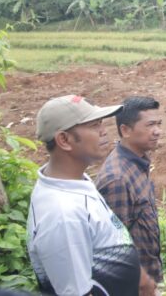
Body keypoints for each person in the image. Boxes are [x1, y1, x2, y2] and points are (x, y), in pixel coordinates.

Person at [27, 95, 140, 296]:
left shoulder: (75, 181)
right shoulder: (62, 215)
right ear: (64, 140)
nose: (104, 131)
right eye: (95, 125)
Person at [95, 96, 163, 296]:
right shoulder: (117, 179)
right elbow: (114, 248)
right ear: (125, 130)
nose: (158, 131)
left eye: (159, 124)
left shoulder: (137, 163)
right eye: (150, 125)